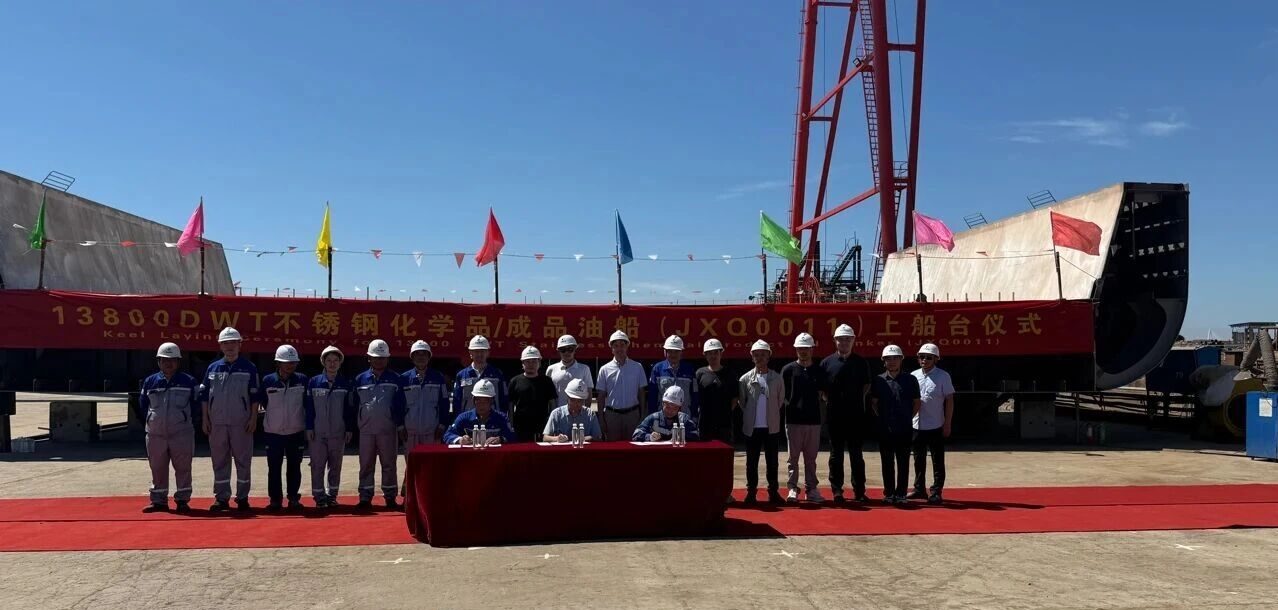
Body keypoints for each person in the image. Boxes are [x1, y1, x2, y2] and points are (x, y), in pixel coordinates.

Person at [199, 326, 260, 512]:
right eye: (225, 343)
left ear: (240, 344)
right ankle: (221, 498)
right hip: (217, 423)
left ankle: (242, 498)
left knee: (243, 461)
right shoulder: (213, 368)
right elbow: (204, 396)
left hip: (241, 423)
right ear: (220, 346)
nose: (229, 346)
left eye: (233, 342)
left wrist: (253, 418)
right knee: (219, 461)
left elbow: (255, 396)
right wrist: (205, 419)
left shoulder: (249, 368)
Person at [138, 342, 198, 513]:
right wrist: (153, 421)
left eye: (172, 360)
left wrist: (183, 421)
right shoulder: (150, 382)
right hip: (155, 434)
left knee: (183, 468)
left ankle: (182, 500)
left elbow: (196, 406)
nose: (168, 363)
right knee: (157, 467)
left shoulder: (189, 381)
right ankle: (158, 501)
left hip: (181, 434)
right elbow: (143, 405)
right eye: (164, 360)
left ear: (178, 361)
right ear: (158, 361)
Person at [821, 323, 872, 503]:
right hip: (835, 416)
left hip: (855, 416)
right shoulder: (826, 363)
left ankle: (859, 491)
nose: (844, 342)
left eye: (847, 339)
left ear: (853, 341)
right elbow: (822, 389)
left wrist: (854, 400)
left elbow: (866, 385)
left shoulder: (861, 362)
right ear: (835, 341)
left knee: (856, 455)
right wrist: (832, 402)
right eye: (840, 339)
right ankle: (837, 491)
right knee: (836, 455)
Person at [354, 339, 406, 510]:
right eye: (375, 357)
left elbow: (400, 404)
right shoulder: (360, 379)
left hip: (388, 429)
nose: (379, 361)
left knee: (389, 464)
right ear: (369, 358)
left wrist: (399, 424)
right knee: (366, 464)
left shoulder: (396, 379)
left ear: (387, 359)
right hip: (366, 430)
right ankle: (365, 497)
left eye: (382, 358)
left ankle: (390, 497)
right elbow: (353, 404)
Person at [870, 344, 921, 506]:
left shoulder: (910, 380)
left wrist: (906, 418)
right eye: (888, 359)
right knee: (887, 462)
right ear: (883, 361)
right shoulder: (878, 380)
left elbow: (917, 403)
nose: (892, 361)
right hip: (885, 428)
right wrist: (883, 419)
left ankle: (901, 494)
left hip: (904, 428)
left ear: (901, 360)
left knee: (903, 462)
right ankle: (889, 493)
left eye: (895, 358)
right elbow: (874, 403)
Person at [259, 345, 309, 511]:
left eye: (293, 362)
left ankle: (293, 498)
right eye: (286, 362)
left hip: (296, 431)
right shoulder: (268, 381)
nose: (290, 365)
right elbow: (263, 403)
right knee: (274, 468)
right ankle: (275, 500)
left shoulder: (302, 380)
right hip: (273, 432)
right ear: (278, 363)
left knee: (294, 467)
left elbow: (307, 404)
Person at [306, 345, 354, 508]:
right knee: (317, 465)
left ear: (340, 363)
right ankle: (319, 497)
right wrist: (309, 427)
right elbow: (309, 407)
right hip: (318, 432)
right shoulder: (314, 382)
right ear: (323, 362)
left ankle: (332, 495)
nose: (332, 364)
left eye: (335, 360)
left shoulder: (345, 383)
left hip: (338, 432)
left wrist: (349, 428)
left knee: (335, 466)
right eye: (329, 360)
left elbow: (349, 409)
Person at [781, 333, 828, 503]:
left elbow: (823, 394)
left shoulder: (819, 371)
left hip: (813, 421)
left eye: (806, 348)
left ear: (812, 349)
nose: (803, 351)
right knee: (792, 458)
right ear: (796, 349)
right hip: (793, 420)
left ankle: (811, 489)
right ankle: (792, 488)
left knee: (811, 459)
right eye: (800, 348)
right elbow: (782, 394)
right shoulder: (788, 370)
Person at [739, 340, 785, 505]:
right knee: (751, 463)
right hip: (752, 428)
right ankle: (751, 493)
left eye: (763, 355)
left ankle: (773, 492)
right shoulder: (744, 379)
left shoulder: (777, 378)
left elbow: (780, 400)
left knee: (772, 462)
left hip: (771, 427)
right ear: (752, 357)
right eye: (756, 355)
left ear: (768, 356)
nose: (759, 358)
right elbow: (742, 402)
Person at [910, 343, 955, 504]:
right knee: (918, 459)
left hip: (936, 424)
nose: (924, 360)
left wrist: (947, 423)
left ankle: (936, 491)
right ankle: (919, 489)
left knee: (937, 460)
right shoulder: (913, 375)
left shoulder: (943, 376)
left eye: (929, 357)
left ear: (936, 359)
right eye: (921, 357)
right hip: (917, 425)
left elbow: (949, 400)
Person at [596, 330, 647, 441]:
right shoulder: (604, 369)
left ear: (627, 346)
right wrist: (601, 418)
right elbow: (601, 396)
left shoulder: (637, 367)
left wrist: (642, 415)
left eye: (622, 345)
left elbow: (641, 393)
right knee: (613, 448)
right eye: (616, 345)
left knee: (634, 446)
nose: (619, 349)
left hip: (632, 415)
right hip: (612, 416)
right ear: (611, 348)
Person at [401, 340, 448, 449]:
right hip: (410, 432)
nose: (421, 357)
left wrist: (442, 425)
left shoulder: (438, 378)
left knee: (431, 460)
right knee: (411, 460)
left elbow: (444, 403)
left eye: (424, 354)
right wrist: (400, 426)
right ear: (412, 357)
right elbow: (399, 404)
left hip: (432, 432)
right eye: (417, 354)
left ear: (429, 357)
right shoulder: (404, 379)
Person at [508, 346, 559, 441]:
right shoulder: (514, 381)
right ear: (522, 363)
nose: (531, 364)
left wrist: (553, 424)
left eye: (534, 361)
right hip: (521, 428)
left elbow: (552, 404)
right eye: (527, 361)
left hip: (543, 428)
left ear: (539, 363)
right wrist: (511, 425)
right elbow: (510, 406)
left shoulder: (547, 381)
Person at [444, 379, 516, 445]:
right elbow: (447, 435)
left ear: (492, 401)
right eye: (478, 400)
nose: (482, 404)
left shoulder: (502, 418)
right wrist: (460, 440)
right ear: (473, 400)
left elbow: (512, 436)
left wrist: (501, 439)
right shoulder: (463, 417)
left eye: (486, 401)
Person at [452, 335, 508, 418]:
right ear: (470, 353)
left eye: (483, 351)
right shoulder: (462, 375)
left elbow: (504, 400)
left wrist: (501, 420)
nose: (479, 354)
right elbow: (456, 401)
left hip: (492, 420)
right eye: (476, 351)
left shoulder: (497, 374)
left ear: (488, 353)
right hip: (468, 421)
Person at [695, 338, 737, 444]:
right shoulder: (699, 373)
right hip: (705, 424)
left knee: (724, 452)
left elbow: (735, 398)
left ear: (721, 353)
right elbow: (695, 396)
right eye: (709, 353)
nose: (713, 356)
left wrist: (725, 412)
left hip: (724, 425)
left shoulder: (730, 373)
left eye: (716, 352)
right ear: (705, 355)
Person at [648, 335, 699, 417]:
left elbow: (695, 395)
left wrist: (694, 416)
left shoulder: (689, 369)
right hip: (663, 418)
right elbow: (652, 396)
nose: (673, 354)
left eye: (676, 351)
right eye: (670, 351)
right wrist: (653, 417)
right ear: (665, 352)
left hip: (684, 417)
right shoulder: (657, 369)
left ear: (681, 352)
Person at [633, 386, 701, 441]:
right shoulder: (653, 418)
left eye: (674, 408)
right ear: (663, 404)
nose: (670, 411)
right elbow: (636, 434)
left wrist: (683, 437)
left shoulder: (684, 419)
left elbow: (696, 436)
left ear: (680, 408)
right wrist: (649, 437)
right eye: (668, 407)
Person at [546, 334, 594, 410]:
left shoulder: (584, 369)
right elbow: (547, 394)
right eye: (563, 350)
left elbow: (589, 393)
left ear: (575, 349)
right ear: (558, 351)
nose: (566, 352)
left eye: (570, 349)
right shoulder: (551, 369)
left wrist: (585, 412)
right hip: (557, 413)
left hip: (578, 412)